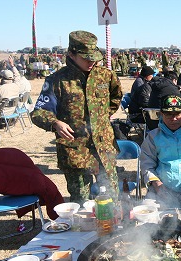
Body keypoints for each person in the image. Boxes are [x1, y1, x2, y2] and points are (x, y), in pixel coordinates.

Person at [31, 30, 123, 204]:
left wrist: (100, 119)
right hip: (75, 151)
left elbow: (115, 98)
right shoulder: (57, 80)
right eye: (86, 58)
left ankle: (114, 229)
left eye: (93, 57)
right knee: (82, 201)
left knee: (112, 198)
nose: (91, 62)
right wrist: (55, 123)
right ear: (71, 54)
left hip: (104, 147)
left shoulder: (106, 76)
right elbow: (39, 112)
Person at [0, 148, 64, 220]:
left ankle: (61, 218)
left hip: (25, 174)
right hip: (19, 178)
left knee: (48, 189)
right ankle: (61, 219)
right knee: (47, 189)